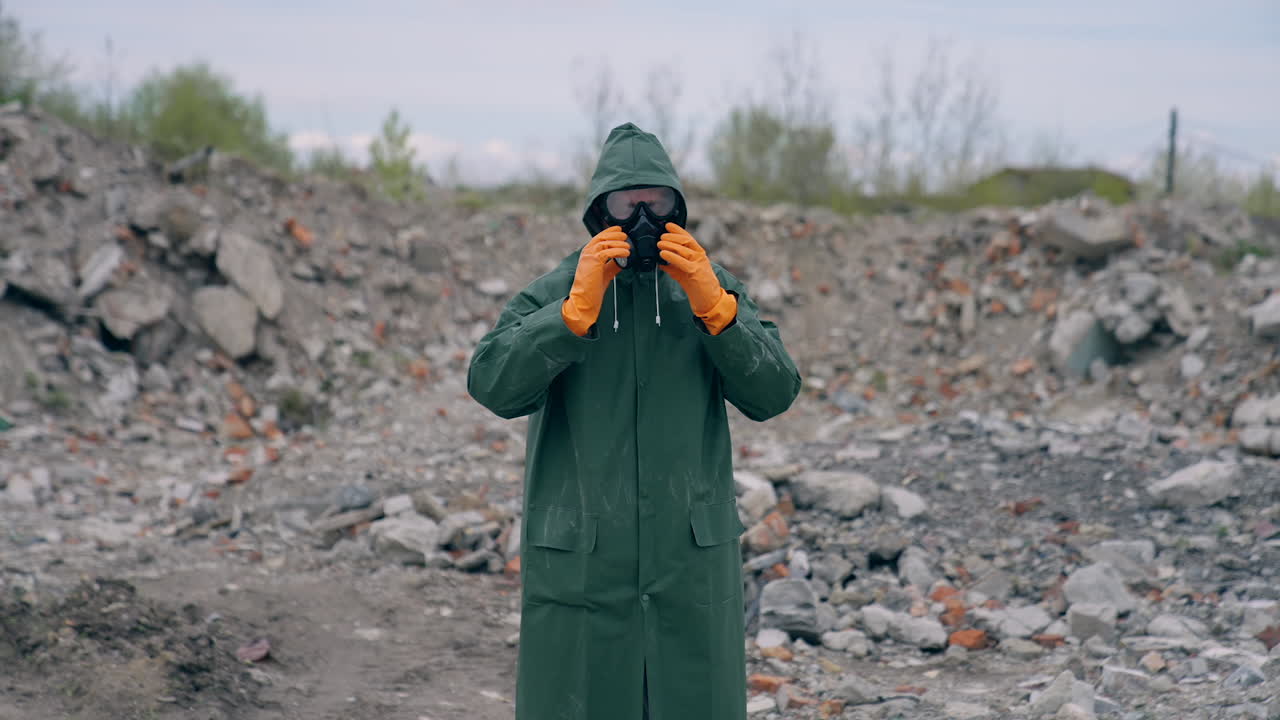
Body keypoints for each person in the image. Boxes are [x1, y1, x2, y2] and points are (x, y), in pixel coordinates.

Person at [467, 122, 801, 720]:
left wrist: (719, 313)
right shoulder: (554, 291)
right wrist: (568, 317)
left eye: (657, 202)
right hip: (586, 567)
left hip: (687, 564)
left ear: (678, 206)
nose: (643, 217)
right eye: (627, 203)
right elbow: (491, 385)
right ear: (600, 209)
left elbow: (774, 394)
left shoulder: (709, 286)